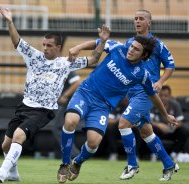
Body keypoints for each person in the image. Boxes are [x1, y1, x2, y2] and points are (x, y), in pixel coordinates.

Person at [0, 7, 105, 183]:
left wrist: (102, 41)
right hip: (25, 106)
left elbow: (94, 59)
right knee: (5, 144)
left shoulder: (66, 63)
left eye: (49, 46)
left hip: (44, 110)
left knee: (19, 135)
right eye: (44, 44)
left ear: (58, 47)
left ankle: (2, 173)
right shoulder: (34, 56)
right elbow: (17, 41)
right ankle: (13, 174)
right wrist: (10, 22)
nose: (45, 48)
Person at [57, 26, 178, 183]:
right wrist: (77, 47)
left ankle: (77, 162)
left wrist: (165, 115)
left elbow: (153, 96)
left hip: (103, 106)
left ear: (144, 55)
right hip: (86, 93)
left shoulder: (142, 74)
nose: (131, 50)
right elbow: (96, 43)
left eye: (136, 49)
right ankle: (65, 163)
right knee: (71, 120)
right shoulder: (119, 48)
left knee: (93, 144)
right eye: (132, 46)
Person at [151, 85, 188, 161]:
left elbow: (180, 121)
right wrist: (160, 125)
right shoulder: (154, 104)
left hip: (172, 131)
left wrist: (172, 127)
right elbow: (149, 120)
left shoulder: (175, 105)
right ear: (158, 95)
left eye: (166, 96)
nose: (163, 98)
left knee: (184, 130)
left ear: (170, 96)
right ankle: (154, 153)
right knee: (150, 129)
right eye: (161, 95)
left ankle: (174, 154)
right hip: (159, 131)